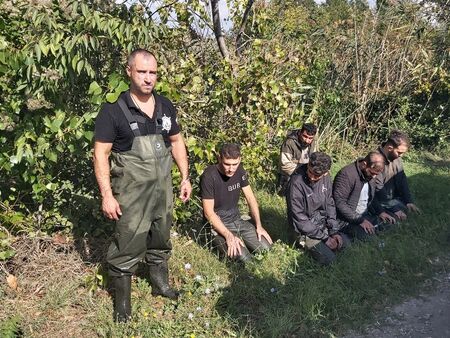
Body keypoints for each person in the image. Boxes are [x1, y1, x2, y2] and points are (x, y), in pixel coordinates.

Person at [93, 49, 192, 322]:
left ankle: (161, 285)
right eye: (142, 72)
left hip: (163, 190)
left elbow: (177, 143)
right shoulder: (113, 110)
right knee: (128, 243)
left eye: (153, 73)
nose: (148, 78)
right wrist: (107, 195)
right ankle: (122, 308)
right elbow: (100, 153)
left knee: (161, 237)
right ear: (129, 72)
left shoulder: (165, 106)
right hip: (132, 193)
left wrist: (185, 177)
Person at [200, 143, 273, 262]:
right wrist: (228, 235)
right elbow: (209, 213)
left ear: (239, 160)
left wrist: (259, 226)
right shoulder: (209, 176)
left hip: (236, 219)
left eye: (235, 164)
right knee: (244, 259)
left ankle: (241, 237)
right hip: (218, 224)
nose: (231, 168)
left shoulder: (239, 170)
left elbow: (251, 199)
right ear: (219, 158)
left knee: (266, 249)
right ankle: (214, 240)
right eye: (227, 164)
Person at [286, 152, 350, 265]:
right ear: (308, 164)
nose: (311, 176)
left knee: (346, 245)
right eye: (310, 171)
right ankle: (301, 244)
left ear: (326, 173)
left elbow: (330, 203)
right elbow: (299, 218)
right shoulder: (296, 182)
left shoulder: (326, 179)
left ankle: (327, 239)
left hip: (321, 223)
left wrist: (334, 230)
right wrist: (325, 238)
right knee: (329, 259)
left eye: (316, 176)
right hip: (304, 229)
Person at [333, 152, 397, 241]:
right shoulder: (346, 174)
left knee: (391, 224)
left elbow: (371, 197)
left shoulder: (370, 175)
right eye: (372, 173)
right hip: (348, 220)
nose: (374, 176)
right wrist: (360, 220)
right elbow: (339, 202)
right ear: (364, 164)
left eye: (376, 174)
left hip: (365, 215)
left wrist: (381, 212)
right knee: (369, 237)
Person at [375, 130, 421, 220]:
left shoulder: (396, 158)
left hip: (393, 198)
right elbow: (378, 189)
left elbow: (402, 180)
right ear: (389, 148)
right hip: (377, 201)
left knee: (409, 210)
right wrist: (394, 209)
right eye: (399, 152)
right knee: (393, 220)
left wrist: (408, 201)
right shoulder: (375, 160)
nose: (401, 156)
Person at [278, 123, 318, 196]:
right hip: (291, 173)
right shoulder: (289, 142)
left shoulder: (313, 142)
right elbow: (284, 165)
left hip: (307, 172)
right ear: (300, 133)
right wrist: (303, 172)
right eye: (305, 136)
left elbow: (314, 158)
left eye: (310, 138)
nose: (307, 140)